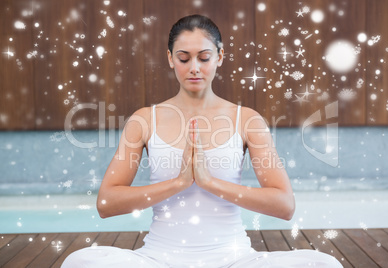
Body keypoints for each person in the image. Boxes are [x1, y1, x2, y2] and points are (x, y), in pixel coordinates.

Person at [62, 14, 343, 268]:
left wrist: (210, 182)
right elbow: (106, 203)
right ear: (170, 58)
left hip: (233, 259)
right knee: (79, 262)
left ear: (220, 56)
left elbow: (285, 205)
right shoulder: (144, 120)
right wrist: (177, 183)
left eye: (204, 57)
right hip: (159, 259)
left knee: (325, 265)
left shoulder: (246, 119)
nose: (194, 67)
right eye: (184, 58)